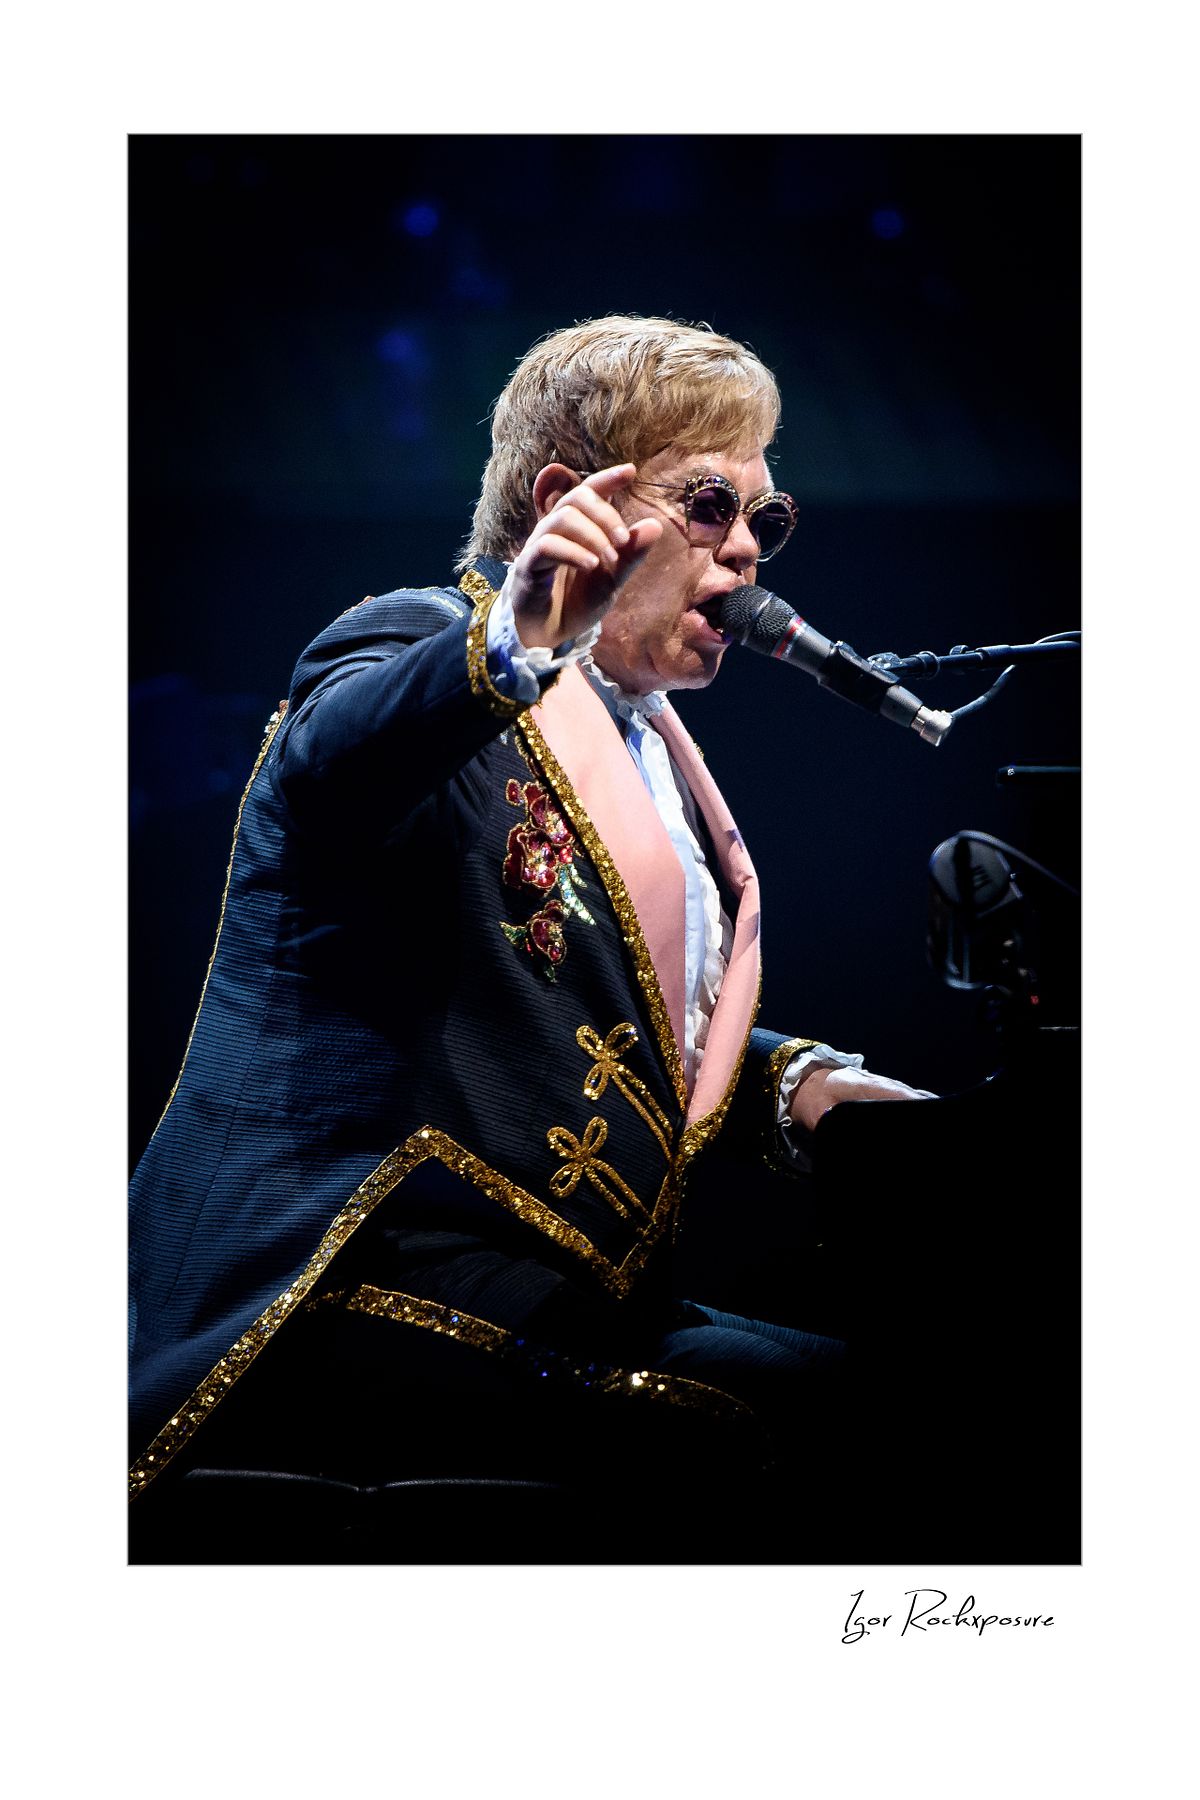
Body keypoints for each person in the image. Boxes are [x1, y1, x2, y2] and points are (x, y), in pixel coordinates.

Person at [128, 315, 930, 1556]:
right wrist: (516, 639)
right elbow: (334, 761)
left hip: (549, 1297)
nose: (743, 553)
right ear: (567, 504)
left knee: (922, 1393)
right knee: (792, 1423)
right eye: (708, 505)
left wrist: (800, 1084)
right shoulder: (412, 643)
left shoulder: (653, 750)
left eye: (762, 519)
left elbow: (595, 1018)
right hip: (339, 1280)